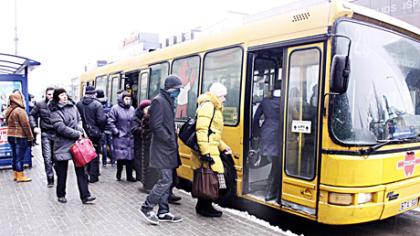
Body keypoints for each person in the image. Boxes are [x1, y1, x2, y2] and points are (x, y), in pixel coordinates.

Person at [140, 75, 183, 225]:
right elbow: (155, 125)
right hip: (162, 149)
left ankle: (163, 212)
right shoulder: (159, 101)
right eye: (177, 89)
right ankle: (147, 206)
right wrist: (170, 139)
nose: (179, 93)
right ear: (171, 88)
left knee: (166, 180)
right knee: (165, 180)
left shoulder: (167, 101)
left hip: (167, 149)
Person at [191, 82, 232, 218]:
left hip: (211, 147)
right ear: (217, 95)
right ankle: (204, 207)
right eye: (223, 96)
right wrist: (205, 152)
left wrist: (223, 146)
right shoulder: (209, 106)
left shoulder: (213, 106)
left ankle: (204, 205)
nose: (224, 99)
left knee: (209, 177)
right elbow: (201, 130)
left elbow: (212, 133)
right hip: (207, 149)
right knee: (209, 178)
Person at [49, 88, 95, 204]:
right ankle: (61, 194)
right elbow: (60, 127)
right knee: (62, 172)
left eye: (65, 94)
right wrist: (76, 134)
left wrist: (79, 129)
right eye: (61, 95)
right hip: (62, 144)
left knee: (81, 170)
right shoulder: (54, 111)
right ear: (57, 97)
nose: (64, 97)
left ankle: (85, 195)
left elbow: (79, 120)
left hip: (76, 143)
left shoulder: (72, 106)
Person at [252, 88, 282, 201]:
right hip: (281, 133)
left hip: (267, 132)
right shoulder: (285, 101)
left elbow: (256, 119)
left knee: (275, 163)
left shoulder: (265, 101)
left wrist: (257, 133)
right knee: (277, 164)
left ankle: (271, 191)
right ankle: (271, 192)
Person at [76, 86, 106, 183]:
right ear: (94, 93)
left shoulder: (79, 104)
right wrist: (100, 130)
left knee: (84, 153)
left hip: (82, 133)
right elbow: (101, 119)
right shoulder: (97, 105)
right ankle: (93, 176)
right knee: (94, 154)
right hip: (95, 133)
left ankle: (86, 173)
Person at [29, 87, 56, 187]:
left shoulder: (59, 104)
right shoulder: (40, 104)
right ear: (46, 94)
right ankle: (50, 178)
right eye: (49, 94)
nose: (51, 96)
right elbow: (32, 115)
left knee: (56, 158)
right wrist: (34, 126)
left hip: (58, 134)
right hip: (46, 134)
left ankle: (56, 171)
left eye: (53, 94)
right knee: (47, 157)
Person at [5, 93, 34, 182]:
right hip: (20, 136)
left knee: (15, 156)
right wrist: (30, 137)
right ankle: (20, 175)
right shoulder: (20, 111)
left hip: (10, 135)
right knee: (20, 157)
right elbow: (26, 125)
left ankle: (15, 174)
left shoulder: (9, 110)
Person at [108, 91, 135, 182]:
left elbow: (134, 121)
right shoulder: (115, 109)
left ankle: (129, 176)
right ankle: (119, 174)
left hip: (130, 137)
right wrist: (116, 132)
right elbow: (111, 121)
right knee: (121, 157)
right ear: (122, 99)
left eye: (129, 99)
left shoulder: (132, 109)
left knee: (130, 157)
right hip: (120, 136)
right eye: (126, 99)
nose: (128, 101)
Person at [96, 89, 114, 167]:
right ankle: (113, 161)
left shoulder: (96, 104)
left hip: (102, 128)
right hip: (109, 127)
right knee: (111, 145)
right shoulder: (109, 104)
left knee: (103, 145)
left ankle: (104, 161)